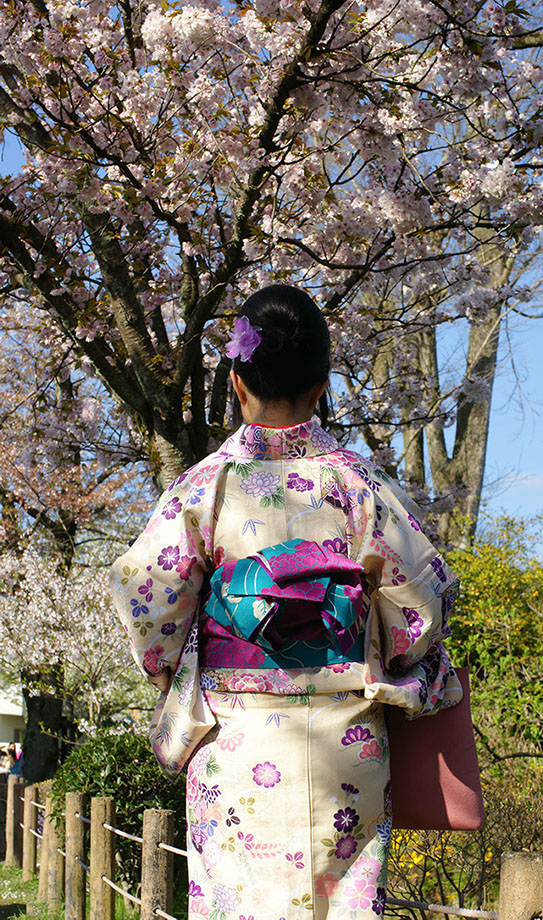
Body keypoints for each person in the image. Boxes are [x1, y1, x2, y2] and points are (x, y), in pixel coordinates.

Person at [110, 284, 462, 920]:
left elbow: (147, 596)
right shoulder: (360, 485)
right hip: (345, 735)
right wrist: (389, 652)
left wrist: (166, 665)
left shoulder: (207, 486)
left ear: (237, 383)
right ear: (322, 385)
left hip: (235, 735)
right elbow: (422, 601)